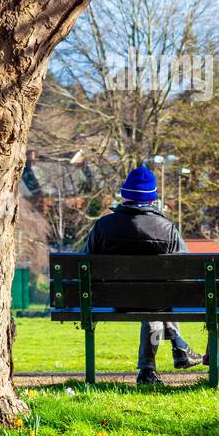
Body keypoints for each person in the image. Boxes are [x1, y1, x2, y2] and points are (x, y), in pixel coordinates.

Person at [85, 165, 201, 386]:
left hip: (115, 300)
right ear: (152, 198)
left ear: (125, 195)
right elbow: (186, 272)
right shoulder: (167, 229)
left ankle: (152, 367)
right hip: (157, 301)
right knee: (158, 298)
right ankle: (176, 348)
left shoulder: (103, 226)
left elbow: (84, 264)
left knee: (154, 298)